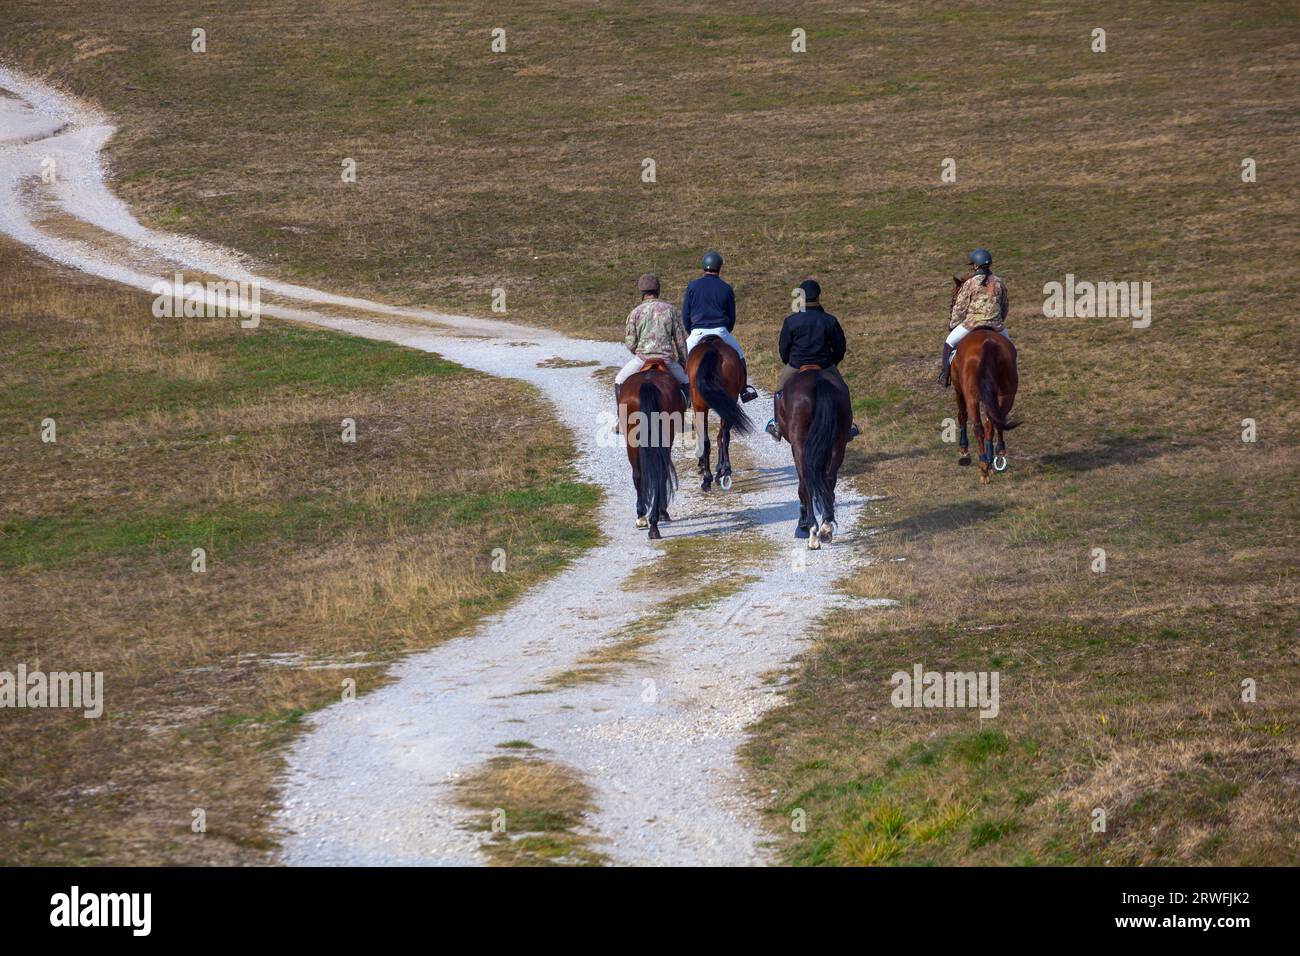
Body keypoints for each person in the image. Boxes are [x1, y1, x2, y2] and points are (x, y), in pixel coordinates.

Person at [765, 279, 859, 440]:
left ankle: (777, 425)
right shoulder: (829, 320)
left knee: (779, 391)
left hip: (796, 364)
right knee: (843, 389)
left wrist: (790, 362)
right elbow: (840, 347)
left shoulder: (791, 320)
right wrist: (832, 363)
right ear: (818, 297)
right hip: (824, 364)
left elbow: (783, 348)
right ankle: (849, 425)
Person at [681, 251, 758, 402]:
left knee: (682, 359)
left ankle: (683, 391)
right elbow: (732, 316)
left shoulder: (692, 286)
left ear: (704, 266)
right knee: (740, 356)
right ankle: (744, 390)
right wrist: (726, 330)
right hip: (721, 330)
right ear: (719, 267)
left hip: (697, 332)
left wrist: (691, 330)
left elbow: (685, 315)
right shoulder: (726, 288)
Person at [614, 273, 690, 415]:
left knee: (619, 380)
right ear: (658, 290)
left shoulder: (635, 313)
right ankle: (682, 415)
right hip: (666, 360)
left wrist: (640, 351)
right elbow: (680, 340)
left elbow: (630, 343)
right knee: (686, 381)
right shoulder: (670, 310)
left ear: (642, 292)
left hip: (642, 359)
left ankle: (621, 416)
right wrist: (683, 361)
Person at [938, 248, 1009, 387]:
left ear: (976, 265)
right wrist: (998, 321)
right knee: (1011, 349)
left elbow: (959, 307)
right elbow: (1005, 306)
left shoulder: (969, 283)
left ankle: (945, 375)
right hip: (996, 325)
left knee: (949, 343)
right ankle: (1009, 377)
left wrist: (953, 324)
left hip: (972, 324)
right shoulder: (999, 282)